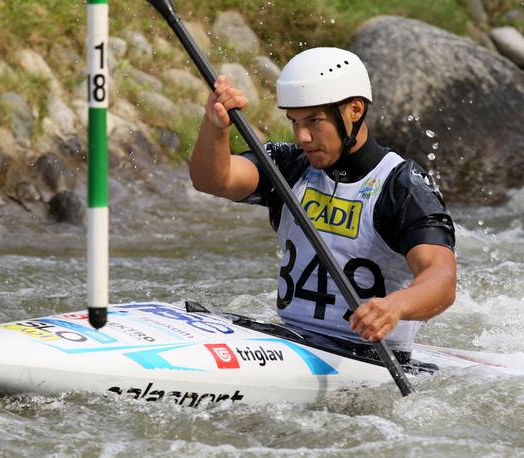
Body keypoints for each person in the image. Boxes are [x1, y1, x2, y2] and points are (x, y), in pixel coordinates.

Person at [190, 47, 456, 361]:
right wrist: (215, 126)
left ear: (355, 110)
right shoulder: (290, 165)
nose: (302, 136)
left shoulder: (401, 186)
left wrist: (395, 306)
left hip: (368, 356)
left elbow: (442, 279)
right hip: (294, 342)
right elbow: (214, 181)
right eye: (295, 122)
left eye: (315, 121)